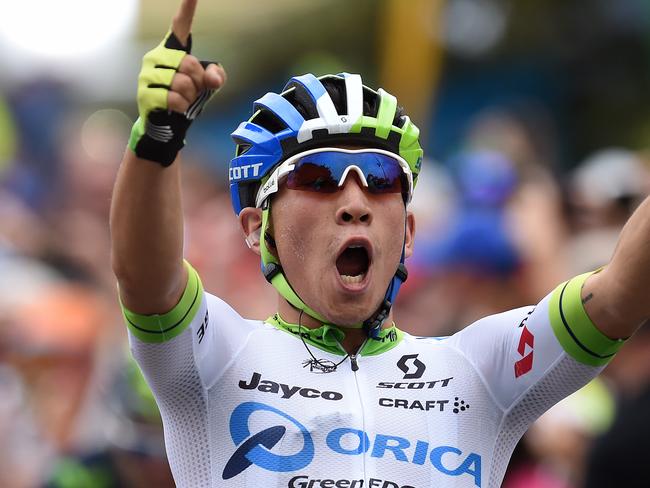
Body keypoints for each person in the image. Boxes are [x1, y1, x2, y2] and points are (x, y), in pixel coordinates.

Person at [110, 1, 647, 486]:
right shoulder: (216, 356)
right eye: (317, 178)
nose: (355, 203)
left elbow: (622, 291)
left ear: (409, 232)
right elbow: (144, 273)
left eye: (381, 179)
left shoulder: (479, 369)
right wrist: (159, 135)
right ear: (257, 228)